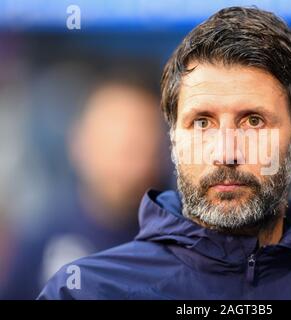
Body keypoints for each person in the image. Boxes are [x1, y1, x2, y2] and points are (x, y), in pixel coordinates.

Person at [38, 7, 291, 300]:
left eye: (253, 121)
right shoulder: (88, 292)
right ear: (173, 138)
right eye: (202, 123)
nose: (226, 153)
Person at [3, 60, 169, 299]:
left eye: (138, 140)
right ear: (78, 141)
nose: (122, 154)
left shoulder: (180, 247)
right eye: (110, 136)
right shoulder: (42, 238)